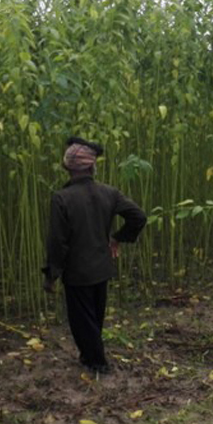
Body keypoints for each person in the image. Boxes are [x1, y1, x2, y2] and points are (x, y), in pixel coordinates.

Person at [42, 136, 147, 374]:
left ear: (67, 167)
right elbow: (139, 217)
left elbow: (57, 242)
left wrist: (51, 275)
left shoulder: (62, 198)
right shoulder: (109, 193)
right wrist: (118, 237)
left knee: (83, 322)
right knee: (94, 319)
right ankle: (89, 358)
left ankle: (99, 365)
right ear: (92, 166)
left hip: (77, 272)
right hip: (102, 268)